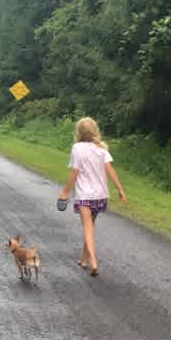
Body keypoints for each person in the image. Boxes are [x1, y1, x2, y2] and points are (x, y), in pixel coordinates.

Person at [58, 117, 127, 276]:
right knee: (90, 227)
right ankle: (84, 259)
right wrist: (120, 189)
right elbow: (110, 170)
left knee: (87, 228)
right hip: (100, 196)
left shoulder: (77, 148)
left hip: (85, 195)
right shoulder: (101, 149)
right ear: (95, 131)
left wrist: (65, 192)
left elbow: (74, 172)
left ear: (79, 132)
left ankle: (93, 261)